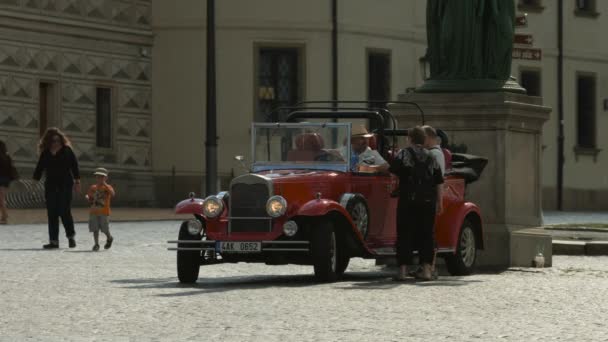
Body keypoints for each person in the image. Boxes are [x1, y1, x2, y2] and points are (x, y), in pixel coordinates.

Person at [390, 126, 444, 281]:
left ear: (410, 139)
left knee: (404, 233)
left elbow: (393, 173)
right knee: (426, 234)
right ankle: (426, 271)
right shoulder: (431, 156)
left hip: (408, 199)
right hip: (428, 201)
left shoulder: (404, 154)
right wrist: (440, 202)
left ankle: (402, 271)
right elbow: (439, 182)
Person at [33, 128, 81, 249]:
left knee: (64, 211)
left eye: (58, 140)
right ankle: (54, 241)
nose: (56, 143)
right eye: (53, 141)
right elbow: (39, 168)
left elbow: (74, 166)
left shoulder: (67, 150)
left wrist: (77, 181)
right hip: (51, 185)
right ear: (48, 141)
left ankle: (71, 237)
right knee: (52, 213)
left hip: (66, 184)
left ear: (61, 140)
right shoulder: (46, 153)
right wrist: (34, 182)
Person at [86, 168, 115, 251]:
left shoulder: (108, 187)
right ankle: (96, 244)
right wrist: (88, 198)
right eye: (98, 177)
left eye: (102, 177)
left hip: (104, 212)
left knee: (105, 229)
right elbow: (89, 196)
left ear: (106, 178)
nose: (99, 178)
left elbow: (113, 194)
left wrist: (105, 184)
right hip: (93, 211)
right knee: (95, 229)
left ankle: (109, 238)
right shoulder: (93, 187)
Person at [0, 140, 18, 224]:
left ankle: (4, 216)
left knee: (1, 198)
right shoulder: (7, 156)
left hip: (1, 179)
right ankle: (4, 215)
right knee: (2, 198)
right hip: (6, 180)